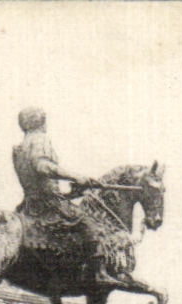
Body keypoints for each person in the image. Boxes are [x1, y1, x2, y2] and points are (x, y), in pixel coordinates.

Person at [11, 107, 121, 286]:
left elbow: (40, 183)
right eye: (44, 121)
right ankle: (100, 273)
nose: (46, 125)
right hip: (50, 204)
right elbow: (42, 166)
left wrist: (74, 192)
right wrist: (76, 177)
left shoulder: (20, 147)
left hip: (30, 204)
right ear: (40, 122)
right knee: (90, 225)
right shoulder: (39, 140)